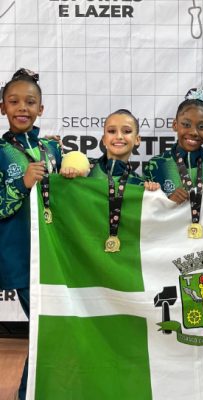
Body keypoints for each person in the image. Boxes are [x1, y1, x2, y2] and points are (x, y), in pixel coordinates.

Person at [0, 68, 75, 400]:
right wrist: (22, 183)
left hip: (54, 253)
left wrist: (73, 173)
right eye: (14, 101)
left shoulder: (52, 148)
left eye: (30, 102)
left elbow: (69, 196)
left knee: (50, 326)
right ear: (3, 107)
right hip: (21, 254)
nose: (22, 108)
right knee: (45, 326)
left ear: (41, 109)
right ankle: (25, 393)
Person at [143, 88, 203, 204]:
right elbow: (145, 207)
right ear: (175, 125)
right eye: (186, 124)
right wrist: (167, 201)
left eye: (202, 127)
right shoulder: (155, 165)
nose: (194, 132)